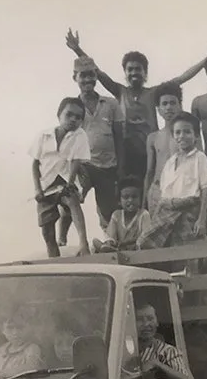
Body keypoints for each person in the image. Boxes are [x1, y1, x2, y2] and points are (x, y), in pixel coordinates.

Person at [65, 30, 207, 193]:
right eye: (130, 69)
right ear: (125, 72)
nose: (134, 73)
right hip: (126, 156)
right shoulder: (120, 91)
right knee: (127, 195)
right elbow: (97, 72)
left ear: (145, 72)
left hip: (150, 153)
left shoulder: (153, 93)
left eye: (138, 69)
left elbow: (181, 78)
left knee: (152, 190)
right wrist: (77, 49)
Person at [63, 56, 124, 237]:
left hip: (108, 166)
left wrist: (121, 166)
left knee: (108, 211)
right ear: (75, 77)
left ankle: (109, 242)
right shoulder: (72, 107)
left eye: (91, 75)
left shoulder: (111, 104)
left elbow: (119, 137)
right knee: (69, 196)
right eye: (83, 75)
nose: (88, 79)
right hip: (83, 165)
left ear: (96, 76)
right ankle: (64, 236)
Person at [30, 97, 92, 258]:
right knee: (47, 230)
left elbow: (75, 160)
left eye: (78, 117)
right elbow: (35, 164)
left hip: (65, 178)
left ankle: (83, 244)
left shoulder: (80, 135)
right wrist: (37, 189)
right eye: (69, 115)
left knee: (72, 201)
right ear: (59, 114)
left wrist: (70, 182)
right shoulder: (44, 135)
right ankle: (54, 258)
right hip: (46, 184)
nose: (73, 120)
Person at [140, 111, 207, 251]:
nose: (182, 136)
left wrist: (201, 220)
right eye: (178, 132)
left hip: (189, 209)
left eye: (187, 132)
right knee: (145, 242)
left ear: (196, 135)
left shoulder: (199, 158)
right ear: (173, 136)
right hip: (168, 210)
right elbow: (164, 194)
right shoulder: (170, 162)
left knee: (186, 250)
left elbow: (205, 188)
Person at [144, 83, 198, 209]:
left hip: (181, 192)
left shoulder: (189, 136)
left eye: (173, 103)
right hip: (157, 192)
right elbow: (149, 172)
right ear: (158, 109)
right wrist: (143, 203)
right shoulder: (153, 137)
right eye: (164, 103)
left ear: (180, 105)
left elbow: (198, 165)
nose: (168, 107)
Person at [124, 299, 190, 379]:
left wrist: (157, 364)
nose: (146, 324)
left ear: (157, 322)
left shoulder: (168, 351)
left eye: (150, 319)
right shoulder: (123, 351)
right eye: (139, 320)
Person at [0, 313, 44, 379]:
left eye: (20, 327)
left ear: (27, 329)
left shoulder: (32, 349)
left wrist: (0, 374)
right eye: (10, 328)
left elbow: (31, 368)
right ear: (3, 330)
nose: (15, 332)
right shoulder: (0, 351)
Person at [92, 182, 149, 253]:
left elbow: (145, 237)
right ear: (119, 201)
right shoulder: (116, 215)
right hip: (119, 249)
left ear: (140, 199)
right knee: (95, 241)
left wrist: (125, 243)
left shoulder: (144, 214)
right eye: (126, 197)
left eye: (134, 197)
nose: (130, 200)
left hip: (137, 250)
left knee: (144, 243)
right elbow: (111, 236)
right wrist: (110, 242)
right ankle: (112, 250)